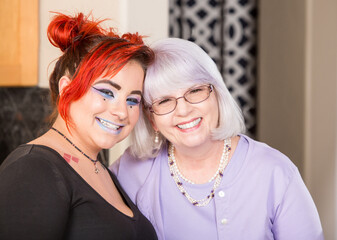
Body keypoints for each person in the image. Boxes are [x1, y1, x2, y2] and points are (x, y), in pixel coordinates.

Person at [111, 38, 324, 240]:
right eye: (165, 101)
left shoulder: (275, 172)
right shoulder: (130, 169)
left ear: (218, 95)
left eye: (195, 91)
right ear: (152, 118)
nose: (184, 110)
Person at [0, 12, 157, 240]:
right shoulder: (32, 168)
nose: (122, 112)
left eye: (132, 100)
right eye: (106, 92)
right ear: (66, 89)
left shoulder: (100, 169)